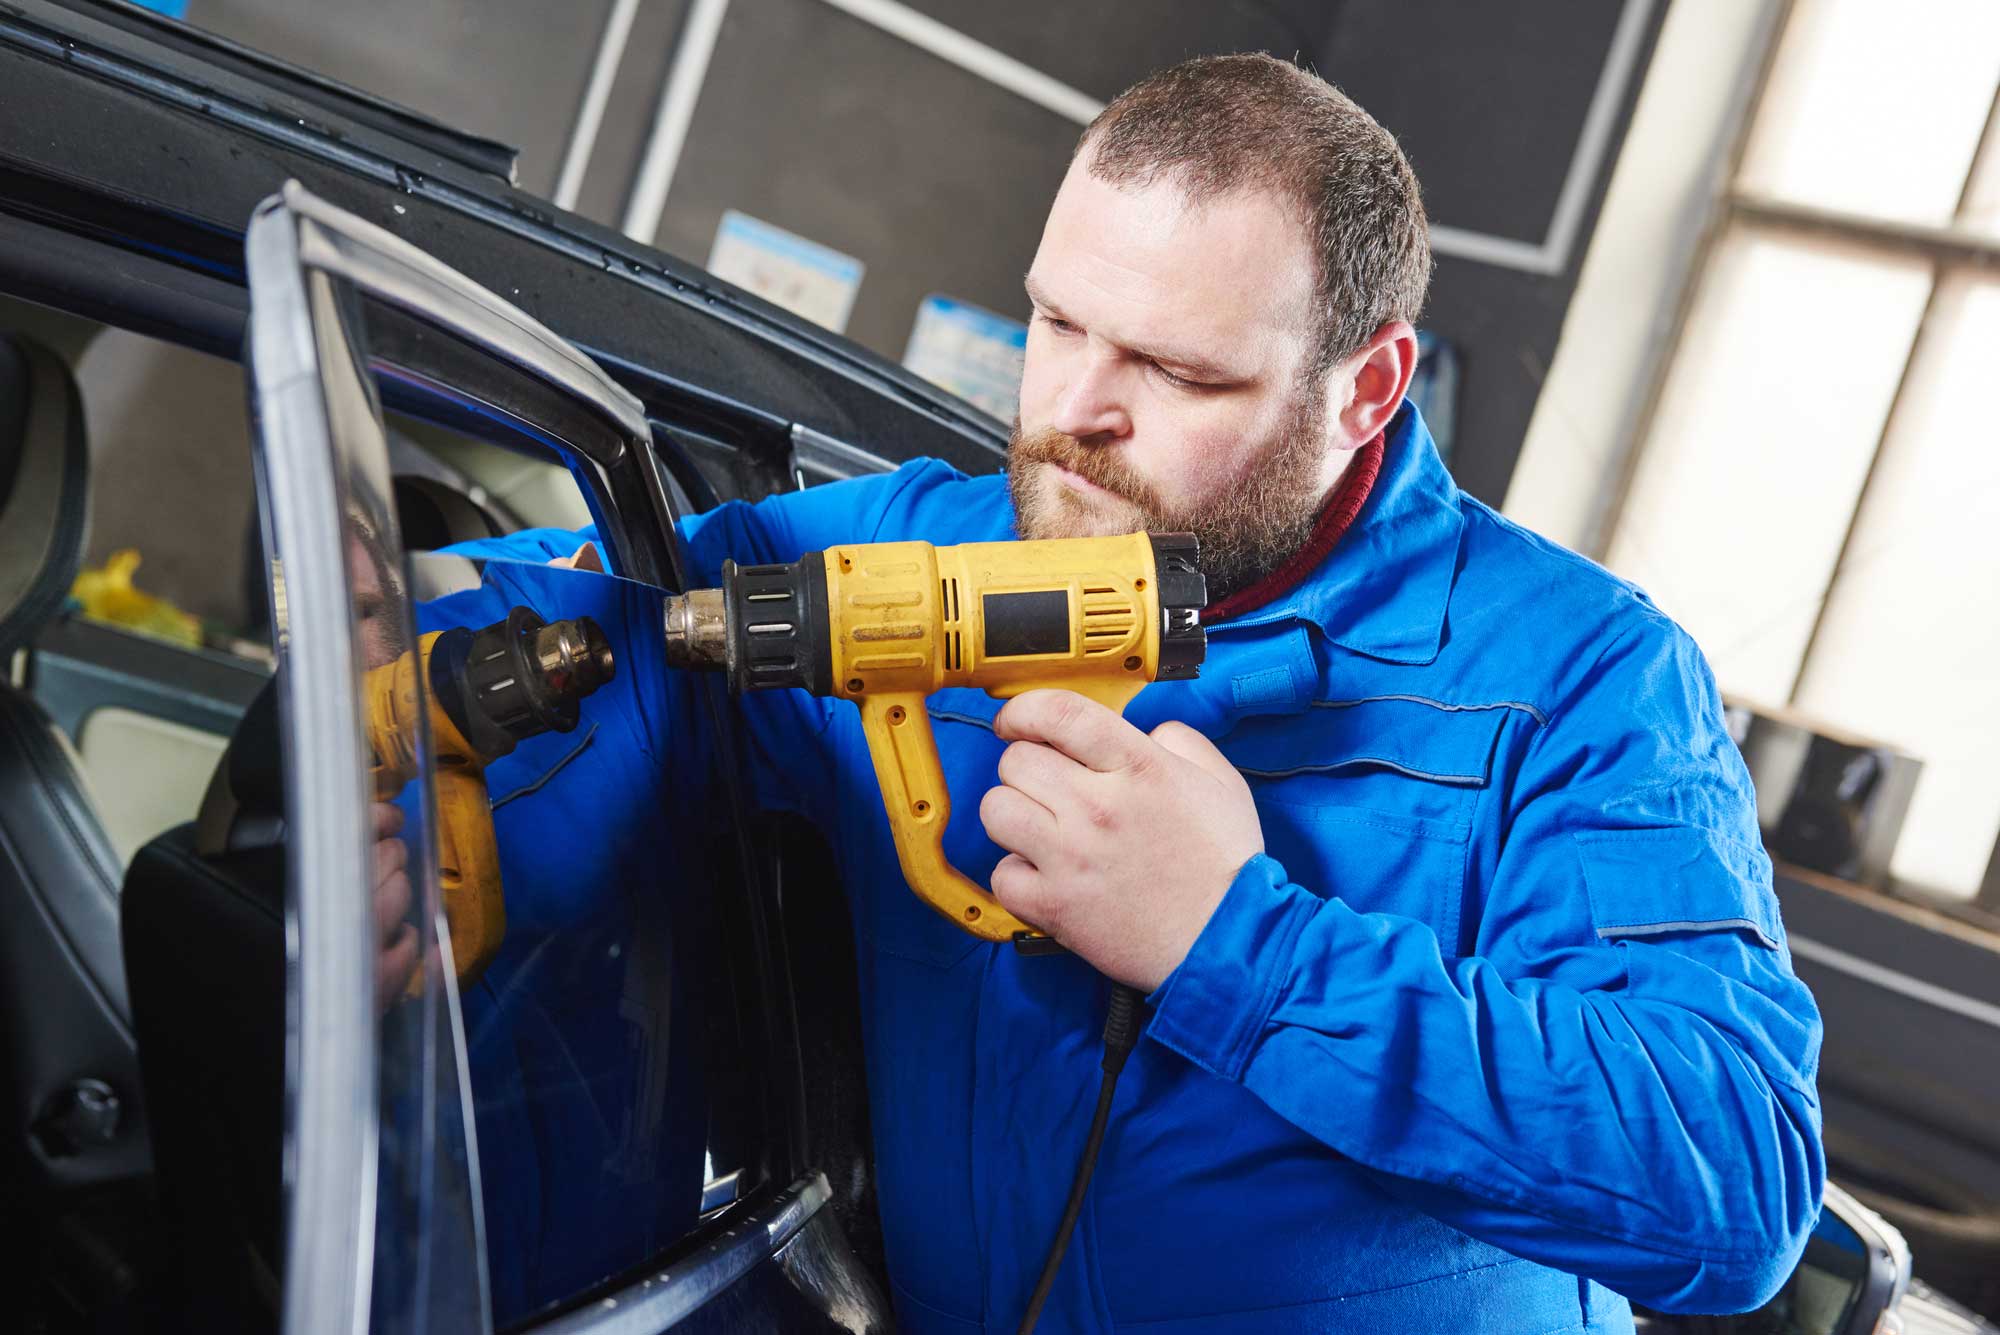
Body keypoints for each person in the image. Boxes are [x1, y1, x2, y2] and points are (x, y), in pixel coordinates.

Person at [465, 53, 1823, 1334]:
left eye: (1179, 370)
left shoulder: (1576, 677)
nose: (1076, 413)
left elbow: (1735, 1181)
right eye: (1059, 321)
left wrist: (1235, 940)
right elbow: (569, 632)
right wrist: (409, 689)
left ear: (1367, 389)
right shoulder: (911, 562)